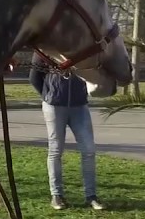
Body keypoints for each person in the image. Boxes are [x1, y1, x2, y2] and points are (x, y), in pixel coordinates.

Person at [30, 57, 104, 210]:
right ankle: (56, 195)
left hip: (80, 105)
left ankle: (91, 196)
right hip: (54, 106)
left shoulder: (80, 42)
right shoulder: (46, 47)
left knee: (89, 150)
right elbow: (34, 77)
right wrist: (49, 95)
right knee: (56, 150)